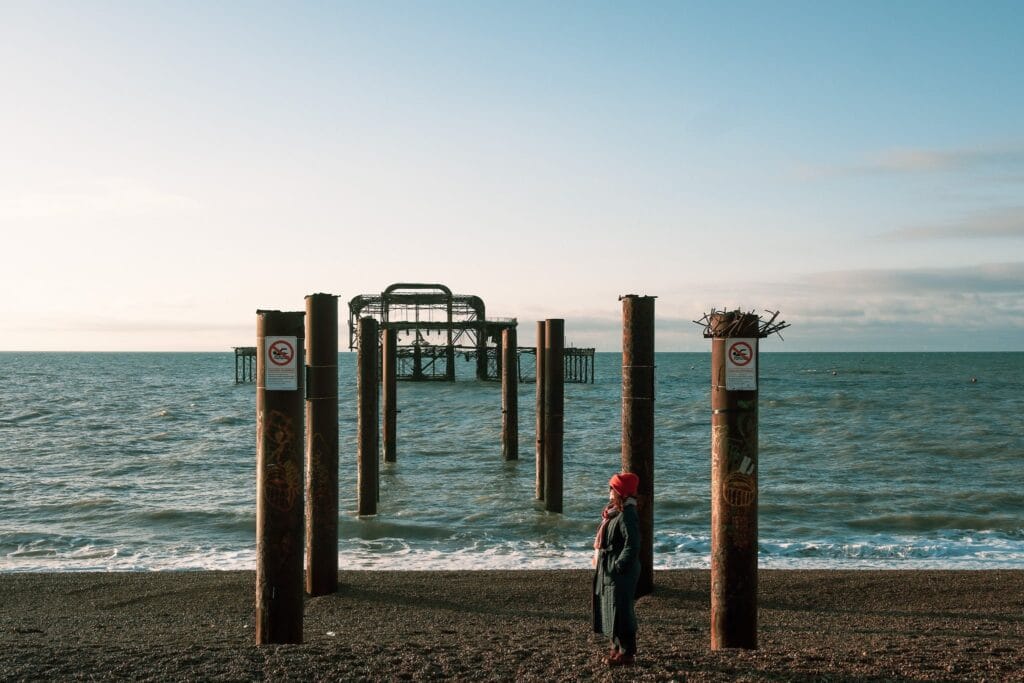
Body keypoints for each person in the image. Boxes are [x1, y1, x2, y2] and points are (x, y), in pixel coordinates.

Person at [592, 471, 641, 667]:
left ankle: (627, 653)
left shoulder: (627, 514)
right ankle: (616, 647)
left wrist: (619, 564)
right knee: (610, 608)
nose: (609, 491)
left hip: (620, 569)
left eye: (612, 488)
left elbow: (633, 543)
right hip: (609, 568)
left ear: (620, 491)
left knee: (621, 609)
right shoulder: (615, 511)